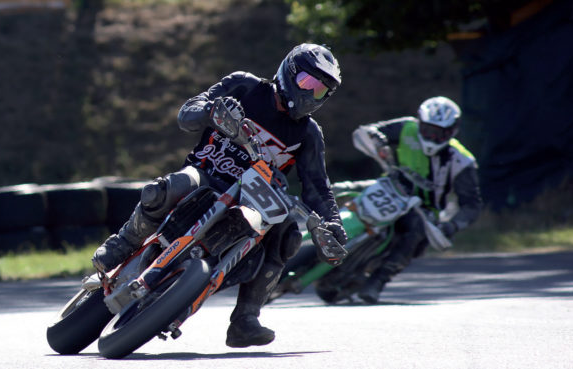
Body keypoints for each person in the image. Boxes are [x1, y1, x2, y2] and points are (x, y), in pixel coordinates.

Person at [91, 43, 349, 348]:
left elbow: (317, 186)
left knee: (289, 235)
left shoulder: (309, 134)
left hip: (254, 202)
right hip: (206, 175)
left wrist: (332, 223)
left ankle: (245, 319)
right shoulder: (244, 86)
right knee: (163, 189)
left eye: (320, 91)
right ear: (289, 73)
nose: (311, 94)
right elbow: (187, 114)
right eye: (308, 83)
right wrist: (211, 111)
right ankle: (124, 243)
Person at [351, 96, 482, 304]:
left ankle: (378, 280)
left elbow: (472, 205)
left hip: (423, 209)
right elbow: (370, 132)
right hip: (390, 188)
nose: (432, 137)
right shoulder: (406, 127)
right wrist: (377, 141)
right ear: (419, 123)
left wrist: (452, 226)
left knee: (416, 234)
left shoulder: (462, 160)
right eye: (428, 130)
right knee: (343, 190)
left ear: (452, 131)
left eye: (441, 133)